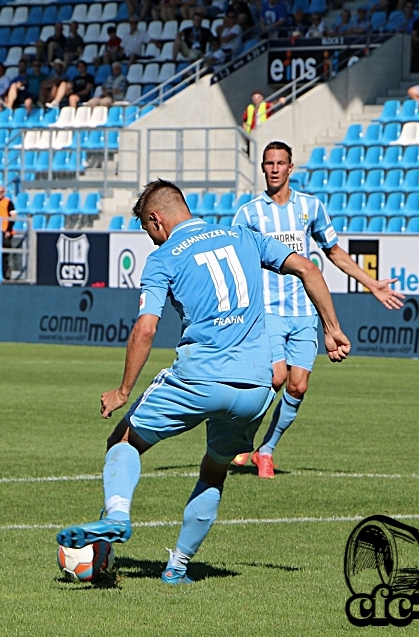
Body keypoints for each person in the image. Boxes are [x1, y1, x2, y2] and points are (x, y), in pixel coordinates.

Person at [55, 178, 350, 583]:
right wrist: (331, 328)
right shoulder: (244, 235)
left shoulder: (164, 259)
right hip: (255, 387)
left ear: (156, 219)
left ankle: (119, 514)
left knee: (124, 440)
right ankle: (177, 568)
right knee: (215, 470)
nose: (151, 240)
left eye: (147, 230)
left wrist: (123, 390)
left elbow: (145, 328)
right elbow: (307, 267)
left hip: (199, 379)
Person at [229, 142, 401, 476]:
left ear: (291, 167)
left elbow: (334, 252)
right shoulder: (249, 214)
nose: (275, 169)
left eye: (281, 163)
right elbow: (237, 259)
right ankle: (241, 438)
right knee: (276, 376)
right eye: (269, 163)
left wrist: (371, 282)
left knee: (298, 386)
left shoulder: (311, 207)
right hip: (268, 310)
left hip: (304, 312)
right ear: (262, 168)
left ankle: (266, 450)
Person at [0, 185, 16, 279]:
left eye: (1, 192)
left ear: (4, 192)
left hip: (5, 232)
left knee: (5, 254)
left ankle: (6, 273)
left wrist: (9, 230)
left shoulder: (8, 202)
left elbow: (13, 217)